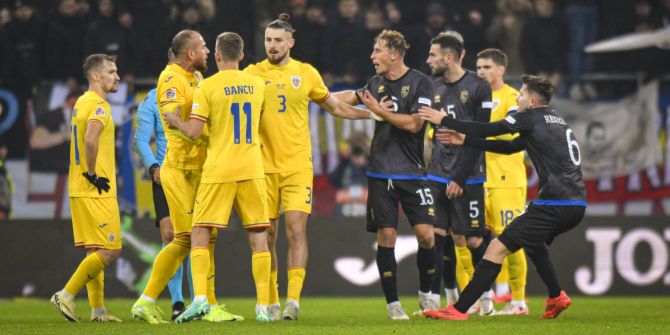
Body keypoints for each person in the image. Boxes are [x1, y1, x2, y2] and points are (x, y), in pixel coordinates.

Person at [418, 74, 586, 320]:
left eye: (521, 94)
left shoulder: (528, 116)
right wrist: (466, 140)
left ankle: (458, 309)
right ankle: (556, 296)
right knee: (533, 243)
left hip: (555, 203)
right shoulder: (556, 119)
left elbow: (492, 129)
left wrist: (445, 119)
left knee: (495, 248)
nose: (518, 98)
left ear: (531, 101)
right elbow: (509, 147)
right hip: (575, 202)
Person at [244, 13, 377, 321]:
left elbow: (335, 107)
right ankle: (270, 300)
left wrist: (372, 115)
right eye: (268, 40)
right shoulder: (250, 74)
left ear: (291, 42)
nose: (272, 46)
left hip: (297, 167)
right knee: (268, 233)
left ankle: (293, 301)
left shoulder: (306, 73)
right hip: (261, 168)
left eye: (278, 40)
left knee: (295, 229)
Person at [163, 32, 274, 323]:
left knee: (199, 230)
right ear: (242, 55)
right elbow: (257, 124)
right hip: (251, 168)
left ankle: (200, 299)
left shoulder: (207, 87)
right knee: (259, 235)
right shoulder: (258, 85)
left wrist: (174, 119)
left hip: (219, 169)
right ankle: (263, 306)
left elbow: (193, 132)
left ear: (217, 56)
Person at [132, 29, 240, 324]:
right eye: (203, 47)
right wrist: (211, 137)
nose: (208, 51)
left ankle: (209, 303)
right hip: (180, 170)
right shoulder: (171, 79)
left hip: (199, 169)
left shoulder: (197, 79)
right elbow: (176, 125)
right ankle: (149, 300)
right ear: (190, 53)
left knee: (206, 236)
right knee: (186, 238)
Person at [338, 29, 436, 320]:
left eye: (377, 50)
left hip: (413, 172)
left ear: (394, 54)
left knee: (427, 236)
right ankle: (393, 304)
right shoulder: (375, 83)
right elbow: (350, 99)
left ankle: (427, 295)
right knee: (387, 236)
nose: (372, 56)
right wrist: (318, 96)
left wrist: (380, 113)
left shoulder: (421, 83)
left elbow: (416, 125)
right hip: (380, 173)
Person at [423, 32, 493, 315]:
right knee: (436, 237)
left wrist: (460, 178)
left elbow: (482, 136)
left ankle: (485, 298)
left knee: (474, 240)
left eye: (432, 55)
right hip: (437, 174)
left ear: (448, 57)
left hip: (469, 176)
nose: (428, 60)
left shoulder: (478, 87)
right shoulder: (432, 87)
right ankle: (438, 298)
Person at [50, 53, 122, 323]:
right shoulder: (100, 106)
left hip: (77, 187)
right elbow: (91, 139)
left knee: (95, 249)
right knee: (111, 249)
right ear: (95, 76)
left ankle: (98, 310)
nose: (116, 76)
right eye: (111, 72)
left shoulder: (81, 103)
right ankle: (66, 294)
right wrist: (93, 174)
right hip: (96, 188)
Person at [475, 48, 528, 315]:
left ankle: (518, 301)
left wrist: (470, 135)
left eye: (486, 67)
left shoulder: (513, 98)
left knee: (511, 239)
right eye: (478, 67)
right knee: (481, 242)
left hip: (507, 180)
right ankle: (486, 296)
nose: (481, 72)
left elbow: (509, 135)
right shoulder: (475, 98)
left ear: (500, 70)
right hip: (479, 180)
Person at [134, 77, 189, 319]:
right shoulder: (153, 99)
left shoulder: (196, 91)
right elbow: (140, 140)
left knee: (197, 236)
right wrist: (153, 166)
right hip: (165, 174)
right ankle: (178, 302)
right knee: (171, 235)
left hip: (192, 174)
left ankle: (201, 301)